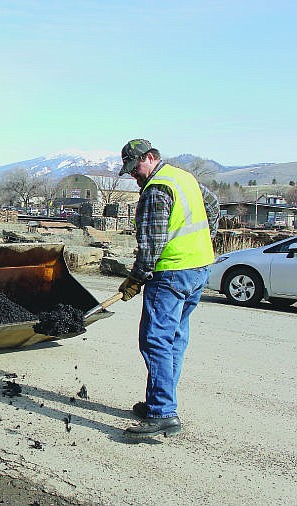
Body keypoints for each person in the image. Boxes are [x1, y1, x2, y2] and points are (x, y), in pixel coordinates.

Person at [117, 139, 219, 438]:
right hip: (198, 267)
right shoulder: (182, 177)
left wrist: (137, 278)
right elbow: (212, 204)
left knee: (155, 340)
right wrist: (204, 240)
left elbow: (151, 245)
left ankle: (163, 411)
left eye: (135, 168)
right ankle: (157, 403)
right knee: (174, 338)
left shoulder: (156, 190)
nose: (134, 175)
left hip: (172, 273)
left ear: (149, 157)